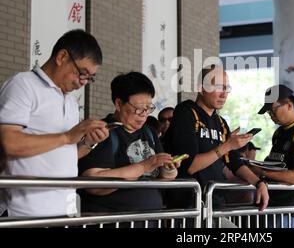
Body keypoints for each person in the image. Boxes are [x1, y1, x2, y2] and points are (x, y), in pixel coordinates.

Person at [0, 29, 108, 217]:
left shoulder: (71, 102)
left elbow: (64, 155)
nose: (83, 82)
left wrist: (88, 143)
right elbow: (10, 143)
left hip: (64, 209)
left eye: (89, 78)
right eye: (82, 73)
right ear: (62, 57)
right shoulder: (23, 85)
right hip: (25, 212)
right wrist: (67, 137)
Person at [163, 65, 269, 213]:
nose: (224, 94)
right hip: (187, 205)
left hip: (214, 203)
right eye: (219, 87)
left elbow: (234, 162)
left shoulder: (220, 122)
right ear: (201, 88)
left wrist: (259, 183)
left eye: (227, 88)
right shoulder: (186, 112)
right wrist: (227, 146)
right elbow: (190, 165)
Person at [78, 72, 178, 216]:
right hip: (115, 221)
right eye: (139, 108)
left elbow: (160, 179)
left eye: (149, 108)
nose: (144, 114)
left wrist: (168, 170)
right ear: (119, 104)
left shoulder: (150, 132)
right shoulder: (102, 132)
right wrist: (143, 166)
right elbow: (93, 182)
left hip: (151, 218)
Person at [254, 84, 294, 208]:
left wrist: (262, 172)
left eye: (273, 110)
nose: (271, 115)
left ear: (289, 105)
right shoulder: (279, 132)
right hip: (270, 199)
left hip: (288, 205)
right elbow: (275, 162)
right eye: (268, 112)